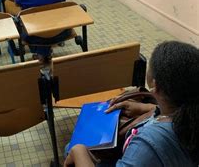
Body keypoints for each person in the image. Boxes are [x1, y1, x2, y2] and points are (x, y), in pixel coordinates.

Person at [64, 41, 198, 167]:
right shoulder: (191, 112)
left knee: (71, 148)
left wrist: (78, 151)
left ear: (155, 86)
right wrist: (148, 108)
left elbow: (150, 146)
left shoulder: (148, 142)